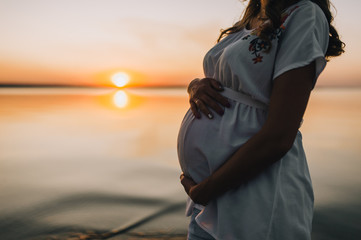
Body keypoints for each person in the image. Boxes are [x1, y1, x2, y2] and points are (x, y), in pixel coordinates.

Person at [177, 0, 345, 239]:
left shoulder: (303, 14)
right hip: (209, 196)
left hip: (256, 193)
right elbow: (223, 80)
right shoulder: (248, 22)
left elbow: (279, 135)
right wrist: (195, 86)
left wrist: (207, 190)